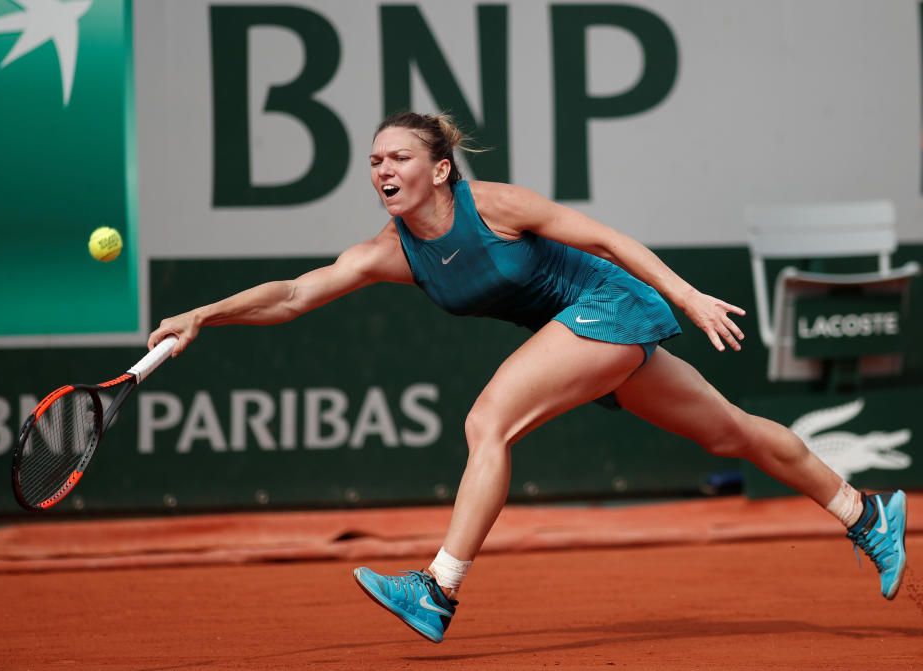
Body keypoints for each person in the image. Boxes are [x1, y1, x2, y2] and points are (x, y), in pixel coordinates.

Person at [148, 111, 908, 643]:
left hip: (608, 305)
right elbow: (293, 294)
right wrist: (204, 314)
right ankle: (865, 512)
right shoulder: (391, 249)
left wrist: (686, 294)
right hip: (583, 335)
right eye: (375, 159)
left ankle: (438, 589)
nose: (383, 169)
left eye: (399, 157)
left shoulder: (499, 206)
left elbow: (606, 237)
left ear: (440, 168)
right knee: (730, 432)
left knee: (488, 423)